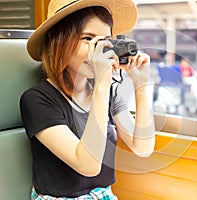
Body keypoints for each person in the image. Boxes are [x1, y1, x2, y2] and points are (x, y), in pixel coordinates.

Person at [20, 0, 155, 199]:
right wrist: (101, 84)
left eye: (105, 41)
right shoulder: (36, 99)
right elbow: (88, 165)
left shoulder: (108, 92)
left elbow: (142, 147)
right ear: (58, 39)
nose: (99, 51)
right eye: (88, 38)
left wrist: (141, 86)